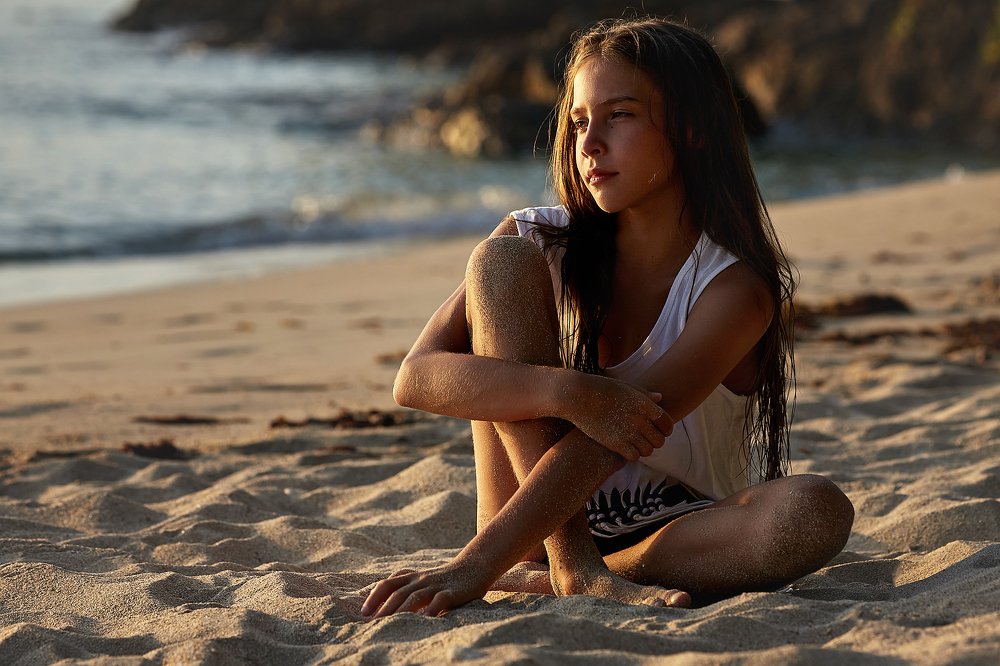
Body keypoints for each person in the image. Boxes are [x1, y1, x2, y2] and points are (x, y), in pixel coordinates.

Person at [361, 16, 854, 619]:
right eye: (578, 121)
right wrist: (568, 391)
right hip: (529, 532)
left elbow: (619, 435)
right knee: (498, 260)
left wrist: (477, 567)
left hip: (673, 534)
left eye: (619, 115)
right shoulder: (539, 243)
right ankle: (567, 566)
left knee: (813, 510)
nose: (589, 143)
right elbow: (414, 378)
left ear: (692, 127)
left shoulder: (733, 290)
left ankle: (573, 574)